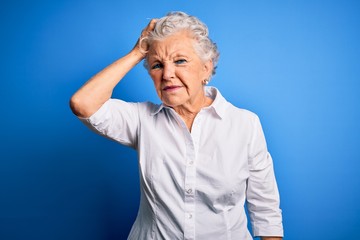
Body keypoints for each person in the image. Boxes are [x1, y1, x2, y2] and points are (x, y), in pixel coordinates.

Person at [70, 11, 283, 240]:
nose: (168, 74)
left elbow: (266, 211)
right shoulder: (142, 119)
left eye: (180, 61)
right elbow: (83, 103)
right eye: (157, 65)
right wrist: (137, 53)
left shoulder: (245, 124)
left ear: (206, 68)